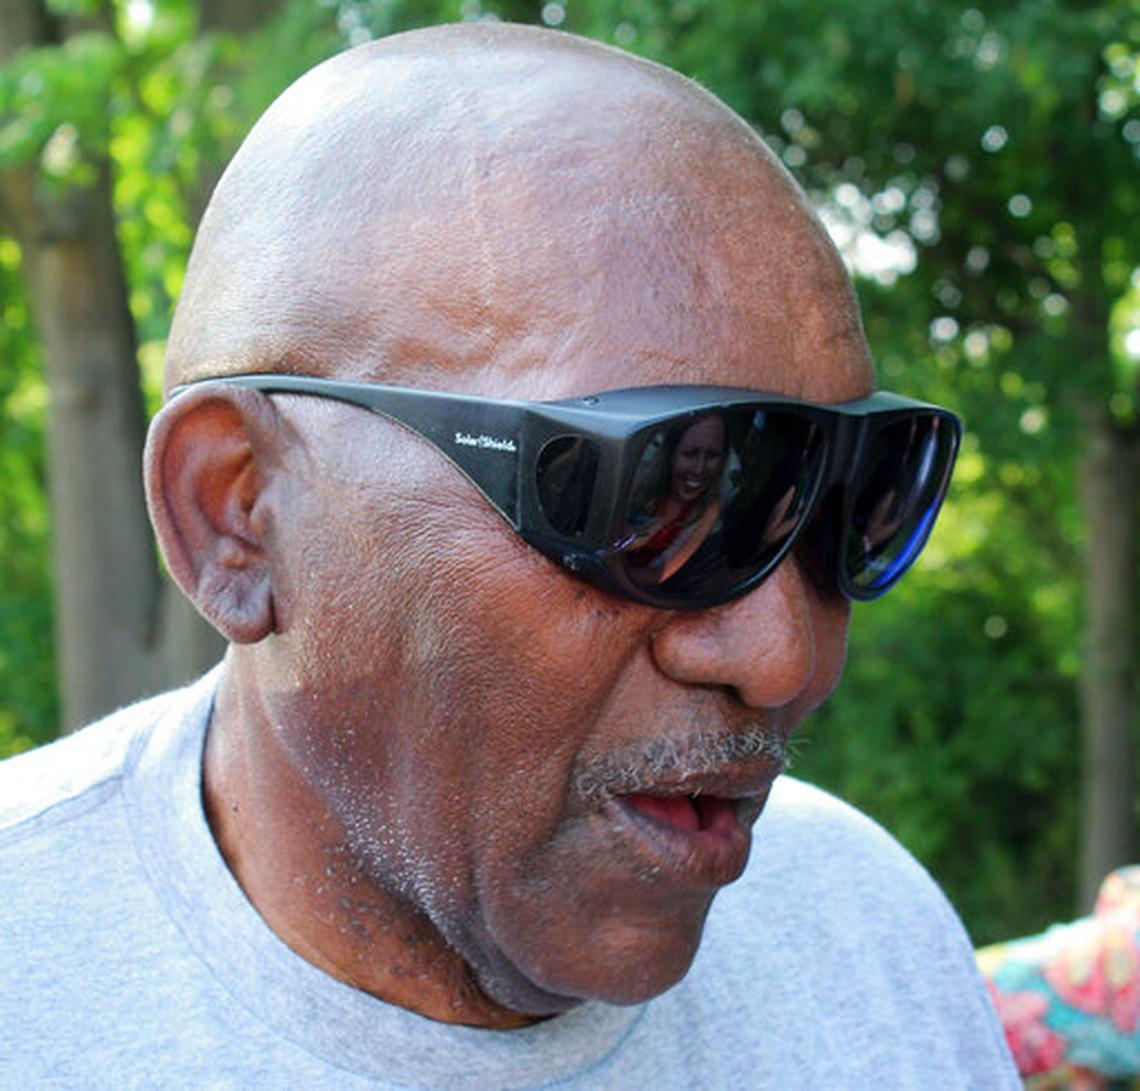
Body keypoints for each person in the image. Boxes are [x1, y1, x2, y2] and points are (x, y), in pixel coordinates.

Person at [0, 23, 1017, 1087]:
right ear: (237, 512)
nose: (786, 657)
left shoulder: (867, 936)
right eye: (653, 495)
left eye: (853, 500)